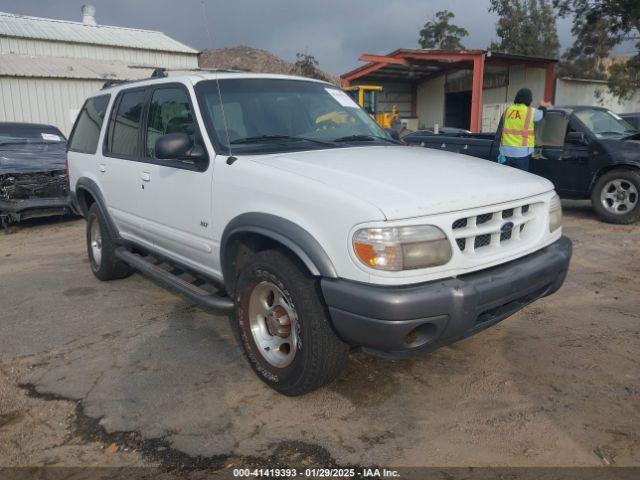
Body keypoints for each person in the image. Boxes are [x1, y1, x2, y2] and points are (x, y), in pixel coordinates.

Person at [498, 88, 551, 171]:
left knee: (506, 180)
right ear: (529, 99)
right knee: (520, 180)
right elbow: (542, 114)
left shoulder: (508, 110)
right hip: (521, 153)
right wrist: (543, 105)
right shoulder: (530, 112)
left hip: (505, 152)